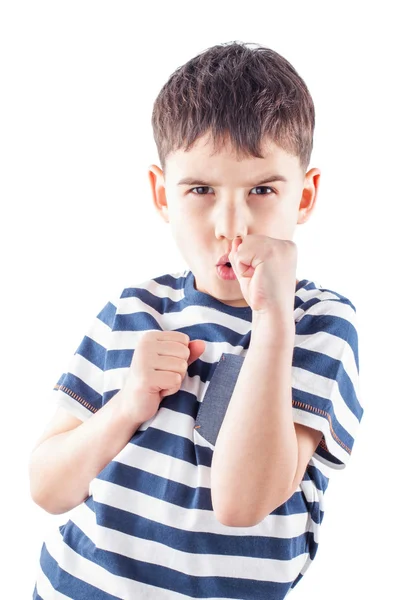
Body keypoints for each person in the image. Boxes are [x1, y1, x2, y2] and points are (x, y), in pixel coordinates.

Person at [30, 40, 363, 599]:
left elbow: (241, 503)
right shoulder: (132, 310)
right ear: (163, 193)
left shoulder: (319, 325)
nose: (229, 225)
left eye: (261, 189)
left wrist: (273, 323)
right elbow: (47, 487)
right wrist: (128, 405)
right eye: (201, 190)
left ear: (304, 197)